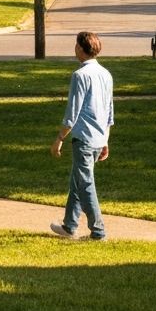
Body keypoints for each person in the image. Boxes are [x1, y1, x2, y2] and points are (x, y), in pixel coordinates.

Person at [50, 30, 114, 241]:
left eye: (76, 45)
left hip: (84, 139)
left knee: (85, 183)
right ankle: (69, 226)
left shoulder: (80, 75)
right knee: (77, 181)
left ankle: (98, 231)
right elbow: (109, 112)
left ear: (80, 48)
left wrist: (59, 138)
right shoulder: (106, 74)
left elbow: (72, 113)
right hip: (98, 138)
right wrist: (106, 140)